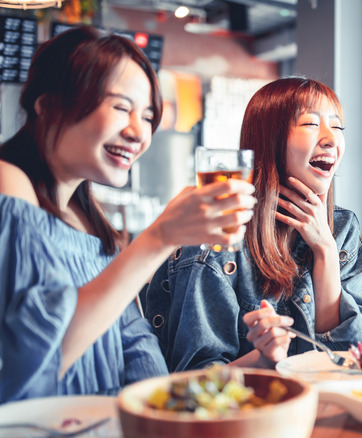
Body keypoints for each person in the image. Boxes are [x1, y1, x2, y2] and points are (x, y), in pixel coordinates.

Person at [0, 26, 255, 402]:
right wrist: (160, 237)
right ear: (48, 104)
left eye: (148, 115)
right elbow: (31, 362)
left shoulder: (88, 219)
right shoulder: (9, 183)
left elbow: (137, 348)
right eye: (121, 107)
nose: (140, 132)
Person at [144, 77, 362, 371]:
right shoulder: (218, 236)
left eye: (337, 126)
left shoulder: (343, 229)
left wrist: (325, 250)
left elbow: (341, 363)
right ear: (270, 139)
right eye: (311, 124)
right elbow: (198, 378)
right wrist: (265, 356)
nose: (331, 138)